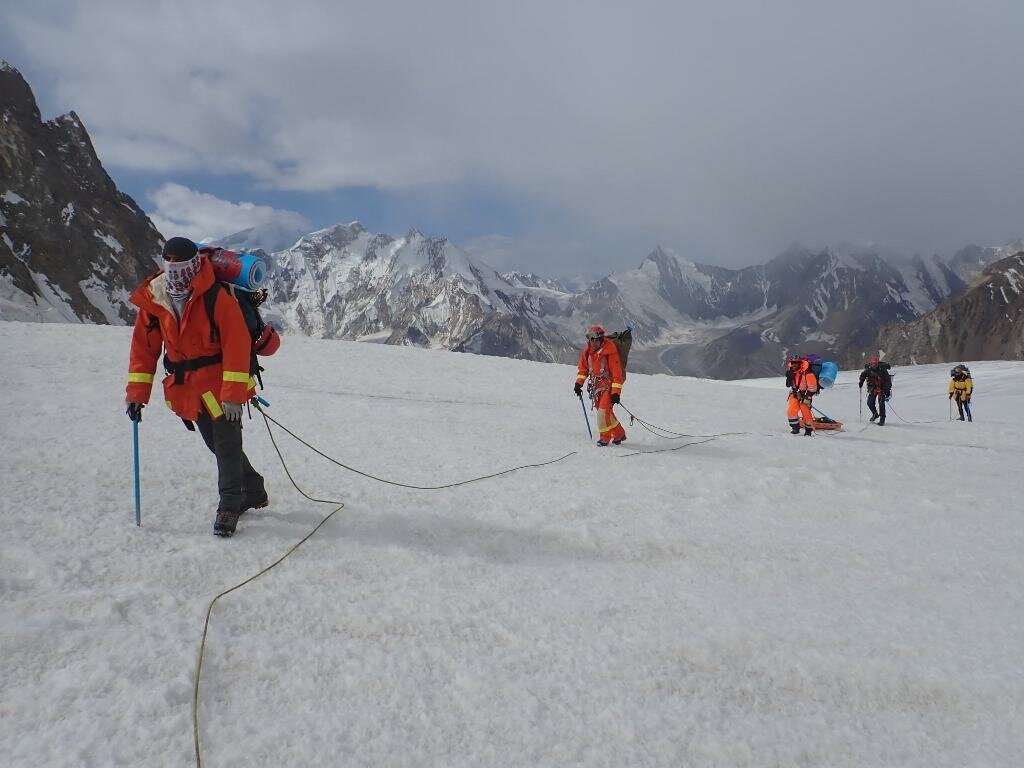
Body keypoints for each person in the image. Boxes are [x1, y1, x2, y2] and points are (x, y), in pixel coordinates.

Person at [124, 237, 268, 537]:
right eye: (170, 263)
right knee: (215, 444)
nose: (175, 271)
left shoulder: (215, 296)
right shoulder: (155, 298)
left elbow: (237, 344)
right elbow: (144, 349)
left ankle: (229, 505)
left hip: (219, 385)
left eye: (180, 264)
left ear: (193, 264)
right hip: (188, 388)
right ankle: (253, 489)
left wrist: (233, 395)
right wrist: (137, 395)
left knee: (226, 444)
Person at [573, 325, 626, 446]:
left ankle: (604, 438)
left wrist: (615, 393)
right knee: (607, 413)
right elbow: (583, 370)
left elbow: (617, 375)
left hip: (608, 388)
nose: (593, 342)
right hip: (596, 389)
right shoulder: (587, 353)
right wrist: (578, 383)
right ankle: (619, 434)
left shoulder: (610, 353)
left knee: (602, 413)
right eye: (591, 339)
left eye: (596, 339)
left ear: (601, 340)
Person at [785, 356, 817, 435]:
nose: (794, 365)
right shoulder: (791, 372)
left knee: (805, 412)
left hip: (806, 395)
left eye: (796, 363)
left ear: (800, 364)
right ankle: (795, 428)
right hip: (795, 394)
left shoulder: (808, 373)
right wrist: (789, 377)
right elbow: (788, 385)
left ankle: (808, 431)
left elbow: (813, 388)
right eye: (793, 363)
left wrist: (807, 397)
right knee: (791, 411)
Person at [858, 356, 892, 425]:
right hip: (872, 388)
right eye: (873, 364)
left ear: (877, 363)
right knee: (870, 403)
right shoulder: (869, 369)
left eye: (875, 364)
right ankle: (875, 414)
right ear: (871, 364)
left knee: (881, 404)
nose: (874, 365)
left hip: (882, 389)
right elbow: (863, 375)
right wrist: (861, 381)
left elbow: (888, 380)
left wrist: (887, 389)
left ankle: (882, 419)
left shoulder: (883, 370)